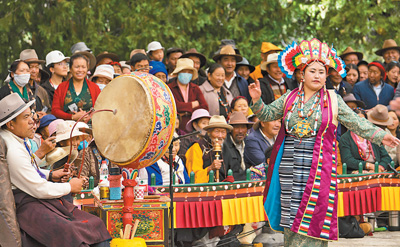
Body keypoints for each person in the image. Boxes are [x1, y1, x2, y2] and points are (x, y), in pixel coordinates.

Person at [247, 38, 399, 245]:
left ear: (327, 75)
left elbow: (356, 123)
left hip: (318, 169)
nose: (317, 75)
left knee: (314, 222)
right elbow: (266, 114)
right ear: (302, 73)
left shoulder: (333, 100)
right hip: (290, 168)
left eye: (321, 71)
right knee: (291, 222)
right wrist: (256, 100)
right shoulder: (290, 98)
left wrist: (382, 136)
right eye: (312, 71)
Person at [0, 93, 111, 246]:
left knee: (92, 223)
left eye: (31, 116)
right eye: (26, 118)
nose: (32, 121)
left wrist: (51, 175)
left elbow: (28, 169)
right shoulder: (12, 148)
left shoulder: (15, 139)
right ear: (11, 124)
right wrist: (70, 186)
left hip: (34, 198)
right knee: (73, 230)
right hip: (27, 204)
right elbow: (37, 188)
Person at [339, 108, 392, 173]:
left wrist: (379, 167)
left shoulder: (373, 135)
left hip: (377, 171)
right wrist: (368, 166)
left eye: (363, 119)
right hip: (357, 172)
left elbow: (386, 157)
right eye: (356, 119)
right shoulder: (345, 138)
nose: (359, 122)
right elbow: (348, 160)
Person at [52, 54, 101, 121]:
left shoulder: (94, 88)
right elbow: (55, 110)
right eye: (77, 67)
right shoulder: (61, 87)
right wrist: (72, 117)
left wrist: (90, 117)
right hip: (67, 126)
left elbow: (100, 109)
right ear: (71, 69)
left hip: (90, 127)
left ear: (87, 69)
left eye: (83, 67)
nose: (80, 70)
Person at [185, 115, 233, 183]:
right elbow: (193, 177)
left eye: (223, 132)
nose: (220, 136)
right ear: (209, 132)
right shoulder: (196, 147)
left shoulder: (226, 148)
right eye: (216, 131)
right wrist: (210, 168)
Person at [168, 58, 208, 131]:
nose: (186, 74)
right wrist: (192, 105)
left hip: (193, 129)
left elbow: (204, 107)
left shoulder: (195, 88)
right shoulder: (170, 88)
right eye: (183, 71)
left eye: (189, 72)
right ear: (178, 73)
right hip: (176, 129)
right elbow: (175, 106)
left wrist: (184, 112)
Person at [223, 111, 253, 181]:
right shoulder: (225, 146)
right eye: (236, 128)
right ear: (230, 130)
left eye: (243, 127)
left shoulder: (248, 144)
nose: (240, 131)